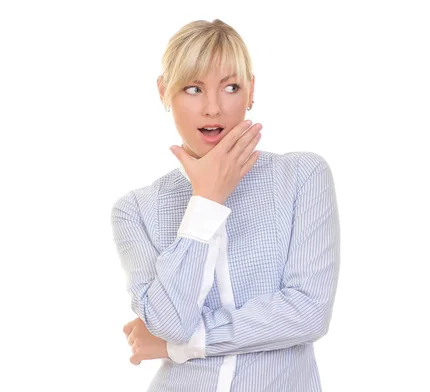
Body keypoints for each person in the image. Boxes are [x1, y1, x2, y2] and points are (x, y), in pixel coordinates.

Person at [110, 19, 340, 392]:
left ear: (251, 91)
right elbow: (171, 321)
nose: (213, 108)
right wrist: (205, 200)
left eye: (230, 87)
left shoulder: (302, 176)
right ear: (164, 91)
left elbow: (308, 314)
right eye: (193, 88)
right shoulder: (135, 210)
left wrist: (177, 346)